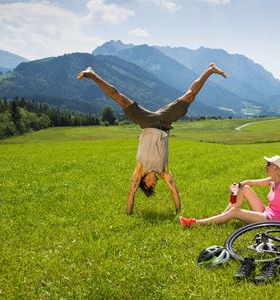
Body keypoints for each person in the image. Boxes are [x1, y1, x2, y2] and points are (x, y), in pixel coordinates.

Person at [76, 63, 227, 215]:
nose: (155, 184)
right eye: (155, 185)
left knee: (120, 99)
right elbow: (174, 190)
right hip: (165, 123)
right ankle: (210, 70)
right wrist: (178, 212)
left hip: (147, 122)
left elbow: (131, 194)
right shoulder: (163, 172)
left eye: (151, 185)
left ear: (145, 184)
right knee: (190, 96)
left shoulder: (139, 171)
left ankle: (92, 74)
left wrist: (129, 213)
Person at [179, 155, 280, 227]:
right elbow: (250, 182)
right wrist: (237, 186)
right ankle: (221, 216)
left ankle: (195, 223)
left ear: (278, 169)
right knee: (244, 188)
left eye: (269, 164)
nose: (266, 166)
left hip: (274, 221)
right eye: (267, 163)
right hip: (265, 213)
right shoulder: (272, 180)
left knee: (235, 211)